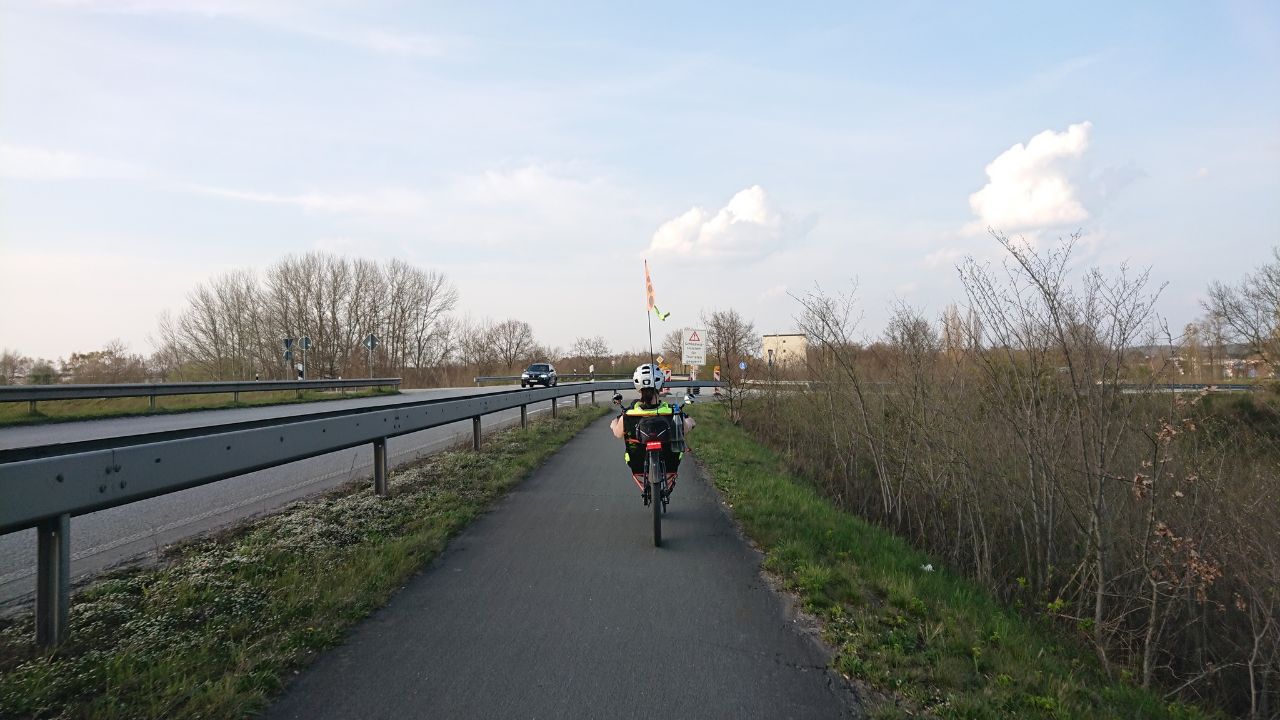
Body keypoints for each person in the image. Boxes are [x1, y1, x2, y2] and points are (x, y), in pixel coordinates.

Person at [610, 363, 695, 499]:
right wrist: (691, 421)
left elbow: (618, 433)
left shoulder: (629, 414)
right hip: (670, 461)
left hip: (637, 462)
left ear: (638, 388)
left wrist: (614, 423)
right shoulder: (672, 411)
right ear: (661, 386)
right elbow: (685, 428)